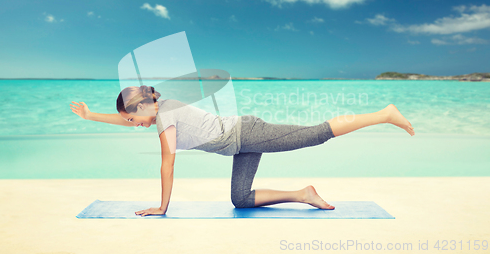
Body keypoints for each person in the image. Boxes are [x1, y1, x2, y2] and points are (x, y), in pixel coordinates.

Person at [70, 85, 415, 217]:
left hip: (248, 134)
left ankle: (384, 114)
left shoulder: (165, 121)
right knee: (240, 198)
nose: (134, 125)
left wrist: (163, 207)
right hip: (239, 144)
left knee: (315, 135)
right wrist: (90, 116)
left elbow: (166, 166)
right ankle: (304, 194)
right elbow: (127, 119)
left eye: (134, 119)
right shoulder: (159, 111)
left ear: (145, 105)